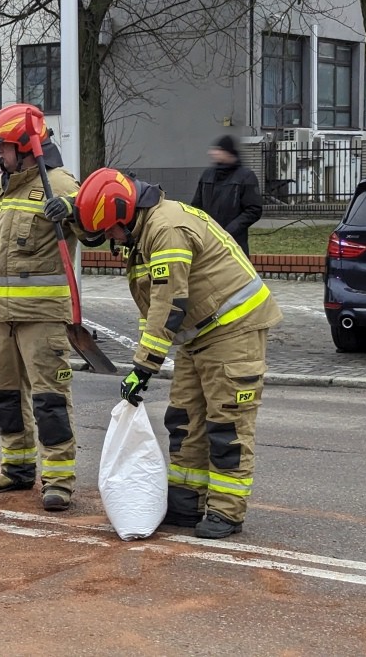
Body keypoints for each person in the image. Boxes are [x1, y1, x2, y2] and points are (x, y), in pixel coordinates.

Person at [67, 167, 283, 538]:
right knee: (184, 420)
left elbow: (169, 305)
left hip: (234, 330)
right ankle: (186, 502)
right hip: (199, 334)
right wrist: (144, 356)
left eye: (108, 231)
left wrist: (143, 368)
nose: (109, 239)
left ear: (122, 214)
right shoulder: (143, 233)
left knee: (227, 424)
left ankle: (227, 511)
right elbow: (150, 312)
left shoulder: (165, 231)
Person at [0, 103, 92, 512]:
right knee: (5, 395)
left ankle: (59, 479)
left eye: (4, 147)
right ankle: (18, 466)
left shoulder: (60, 185)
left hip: (43, 317)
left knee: (50, 400)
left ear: (26, 147)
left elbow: (93, 231)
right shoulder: (1, 186)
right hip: (2, 315)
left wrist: (74, 212)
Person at [190, 135, 263, 256]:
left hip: (234, 243)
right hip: (208, 242)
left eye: (218, 150)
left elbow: (253, 210)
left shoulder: (245, 176)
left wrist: (229, 231)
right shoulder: (208, 175)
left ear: (228, 153)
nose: (212, 153)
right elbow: (196, 207)